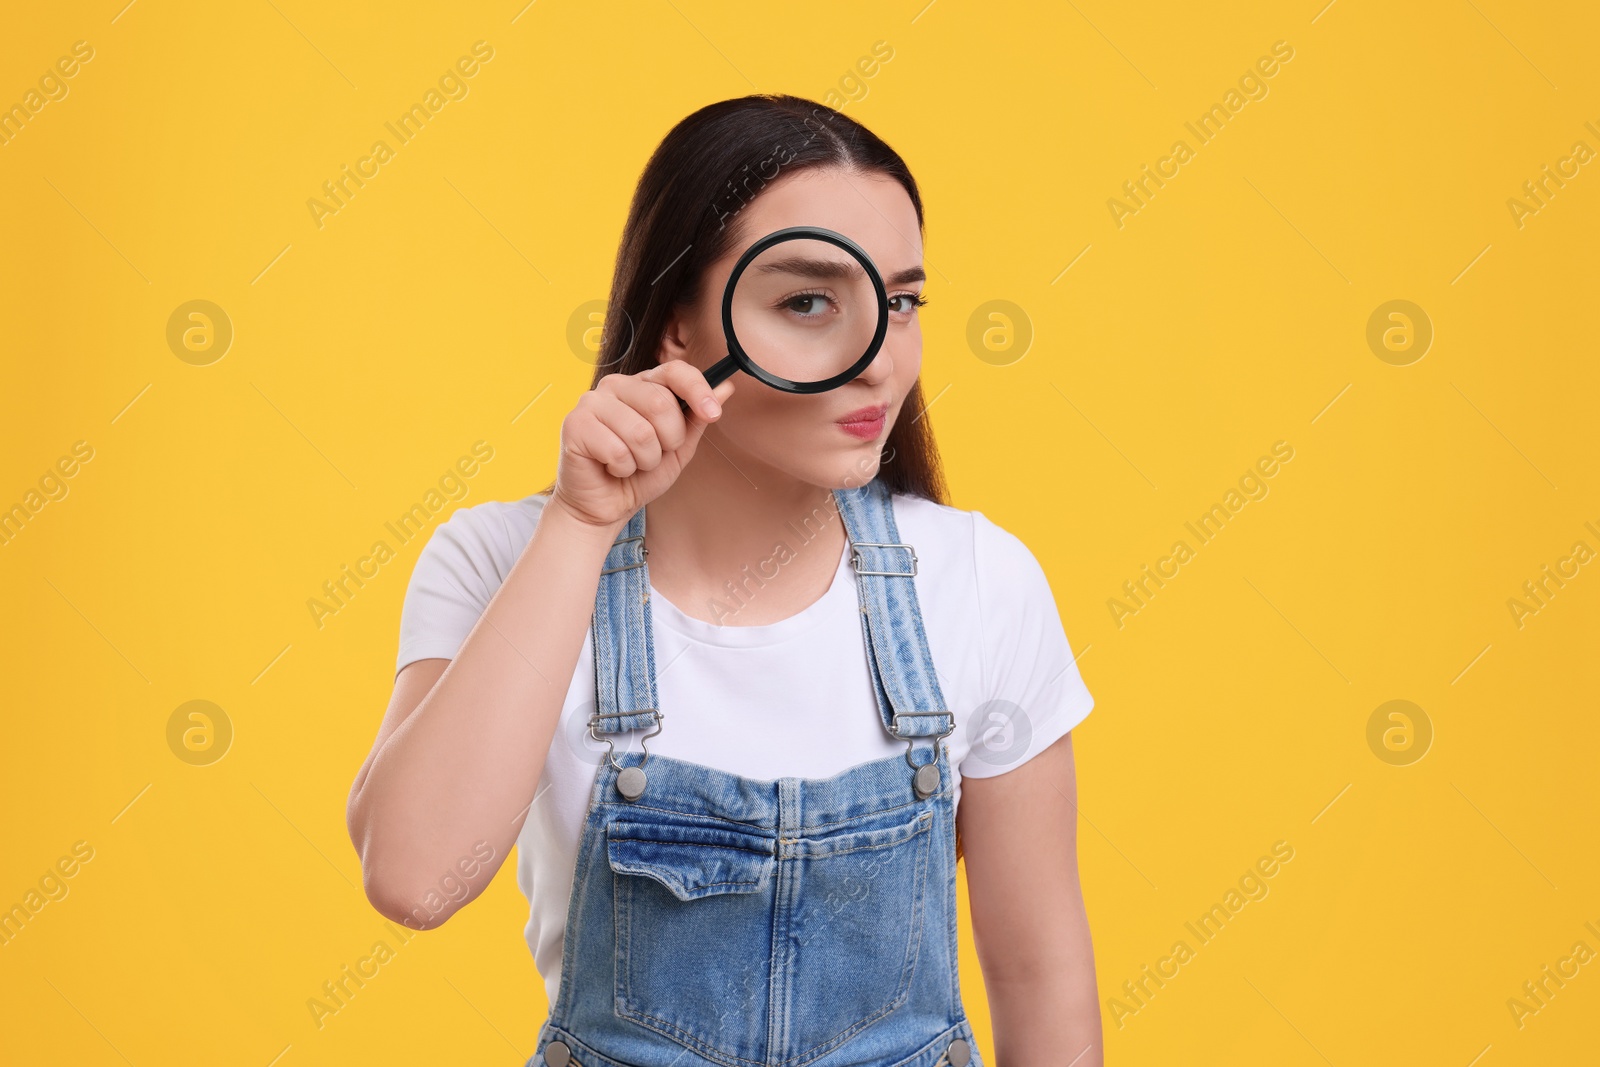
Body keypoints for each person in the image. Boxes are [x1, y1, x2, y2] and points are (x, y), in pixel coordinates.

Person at [346, 94, 1102, 1067]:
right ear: (675, 327)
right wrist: (582, 524)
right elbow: (413, 878)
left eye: (901, 302)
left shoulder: (979, 581)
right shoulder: (498, 557)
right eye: (806, 301)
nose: (877, 364)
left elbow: (1039, 974)